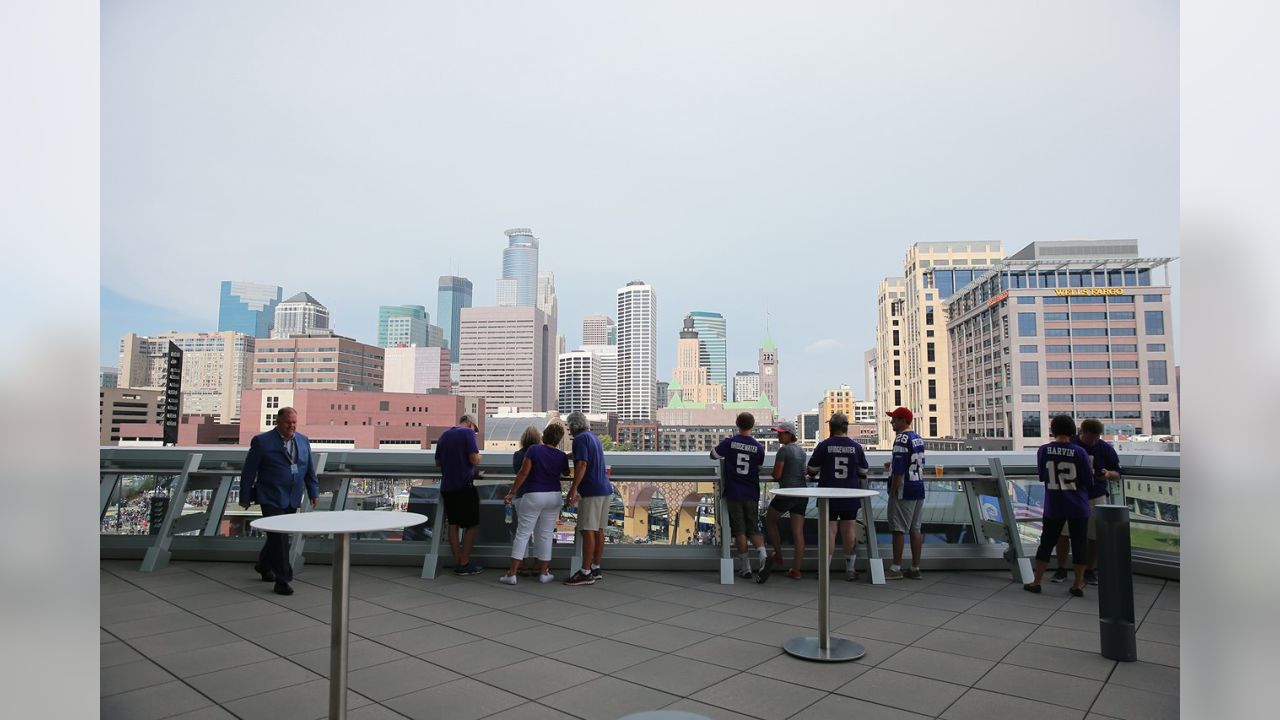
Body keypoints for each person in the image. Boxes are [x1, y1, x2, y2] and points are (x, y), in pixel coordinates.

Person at [238, 407, 319, 596]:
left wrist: (313, 491)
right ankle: (283, 580)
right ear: (278, 422)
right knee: (280, 538)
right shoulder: (262, 442)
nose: (291, 426)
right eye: (287, 422)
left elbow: (309, 470)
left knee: (277, 537)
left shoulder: (303, 441)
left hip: (292, 496)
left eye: (294, 422)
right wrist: (244, 497)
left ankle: (263, 564)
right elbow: (249, 472)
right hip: (270, 496)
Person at [1024, 414, 1097, 597]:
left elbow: (1042, 475)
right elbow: (1089, 480)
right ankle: (1077, 584)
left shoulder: (1043, 450)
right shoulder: (1079, 452)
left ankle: (1037, 581)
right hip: (1078, 505)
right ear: (1073, 431)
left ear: (1053, 430)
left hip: (1054, 505)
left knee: (1046, 543)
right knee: (1080, 543)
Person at [1050, 419, 1124, 585]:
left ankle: (1089, 569)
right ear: (1081, 433)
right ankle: (1062, 568)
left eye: (1097, 437)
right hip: (1072, 495)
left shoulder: (1104, 448)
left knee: (1094, 535)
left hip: (1092, 495)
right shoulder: (1072, 446)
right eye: (1091, 437)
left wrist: (1107, 474)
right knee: (1064, 534)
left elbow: (1118, 473)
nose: (1094, 441)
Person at [500, 423, 571, 585]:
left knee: (523, 534)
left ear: (544, 436)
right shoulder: (560, 455)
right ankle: (544, 573)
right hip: (554, 497)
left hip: (534, 495)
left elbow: (524, 472)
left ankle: (512, 575)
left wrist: (512, 492)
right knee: (545, 535)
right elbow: (566, 472)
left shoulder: (534, 450)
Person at [806, 412, 869, 581]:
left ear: (830, 427)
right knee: (849, 530)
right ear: (846, 427)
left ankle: (824, 570)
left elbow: (811, 470)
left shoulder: (824, 446)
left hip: (828, 496)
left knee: (829, 531)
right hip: (850, 495)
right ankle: (850, 569)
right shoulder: (856, 447)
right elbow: (863, 472)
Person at [710, 412, 768, 580]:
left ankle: (746, 567)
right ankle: (763, 556)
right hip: (752, 491)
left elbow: (713, 455)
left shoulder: (730, 442)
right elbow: (758, 467)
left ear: (737, 423)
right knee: (753, 528)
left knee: (739, 530)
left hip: (734, 491)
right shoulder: (759, 447)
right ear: (753, 425)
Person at [565, 411, 612, 586]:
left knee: (587, 530)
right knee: (599, 530)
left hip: (591, 490)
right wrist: (566, 456)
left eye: (569, 427)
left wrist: (573, 489)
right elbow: (583, 456)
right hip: (605, 488)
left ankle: (585, 572)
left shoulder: (579, 439)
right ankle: (595, 567)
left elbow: (582, 463)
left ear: (572, 426)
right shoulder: (593, 437)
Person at [435, 414, 484, 576]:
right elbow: (474, 459)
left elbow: (438, 462)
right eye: (475, 429)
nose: (474, 433)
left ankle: (458, 561)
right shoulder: (467, 433)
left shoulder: (444, 435)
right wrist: (479, 459)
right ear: (470, 424)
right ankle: (464, 562)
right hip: (464, 486)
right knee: (472, 524)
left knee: (453, 524)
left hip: (447, 486)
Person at [883, 407, 926, 580]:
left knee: (898, 529)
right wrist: (891, 464)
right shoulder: (918, 438)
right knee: (915, 529)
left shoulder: (901, 439)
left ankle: (895, 568)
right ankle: (915, 567)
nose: (891, 421)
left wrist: (893, 491)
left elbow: (900, 471)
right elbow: (913, 462)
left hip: (904, 490)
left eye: (894, 419)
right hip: (918, 487)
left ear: (903, 420)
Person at [762, 420, 808, 581]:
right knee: (798, 532)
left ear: (790, 435)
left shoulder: (783, 451)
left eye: (781, 433)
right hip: (802, 493)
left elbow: (777, 475)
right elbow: (804, 472)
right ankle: (796, 570)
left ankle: (778, 554)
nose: (778, 435)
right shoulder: (801, 452)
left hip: (787, 492)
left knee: (770, 520)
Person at [510, 425, 543, 577]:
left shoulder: (517, 455)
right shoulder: (541, 454)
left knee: (522, 532)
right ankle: (538, 565)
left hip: (521, 496)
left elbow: (518, 472)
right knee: (540, 531)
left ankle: (521, 564)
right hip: (538, 495)